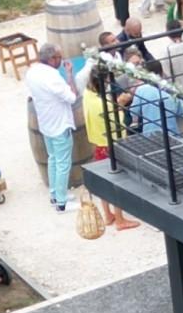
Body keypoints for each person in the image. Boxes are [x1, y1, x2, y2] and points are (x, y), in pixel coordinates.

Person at [81, 68, 139, 230]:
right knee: (116, 180)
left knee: (104, 179)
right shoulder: (103, 104)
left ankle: (108, 215)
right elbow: (117, 122)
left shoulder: (87, 94)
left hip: (98, 142)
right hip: (110, 143)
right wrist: (120, 105)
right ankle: (120, 219)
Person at [26, 44, 77, 212]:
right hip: (60, 124)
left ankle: (55, 194)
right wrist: (69, 75)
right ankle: (62, 203)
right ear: (52, 59)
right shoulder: (53, 77)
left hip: (46, 123)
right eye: (59, 57)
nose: (61, 60)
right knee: (63, 164)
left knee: (53, 159)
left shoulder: (32, 72)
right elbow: (72, 97)